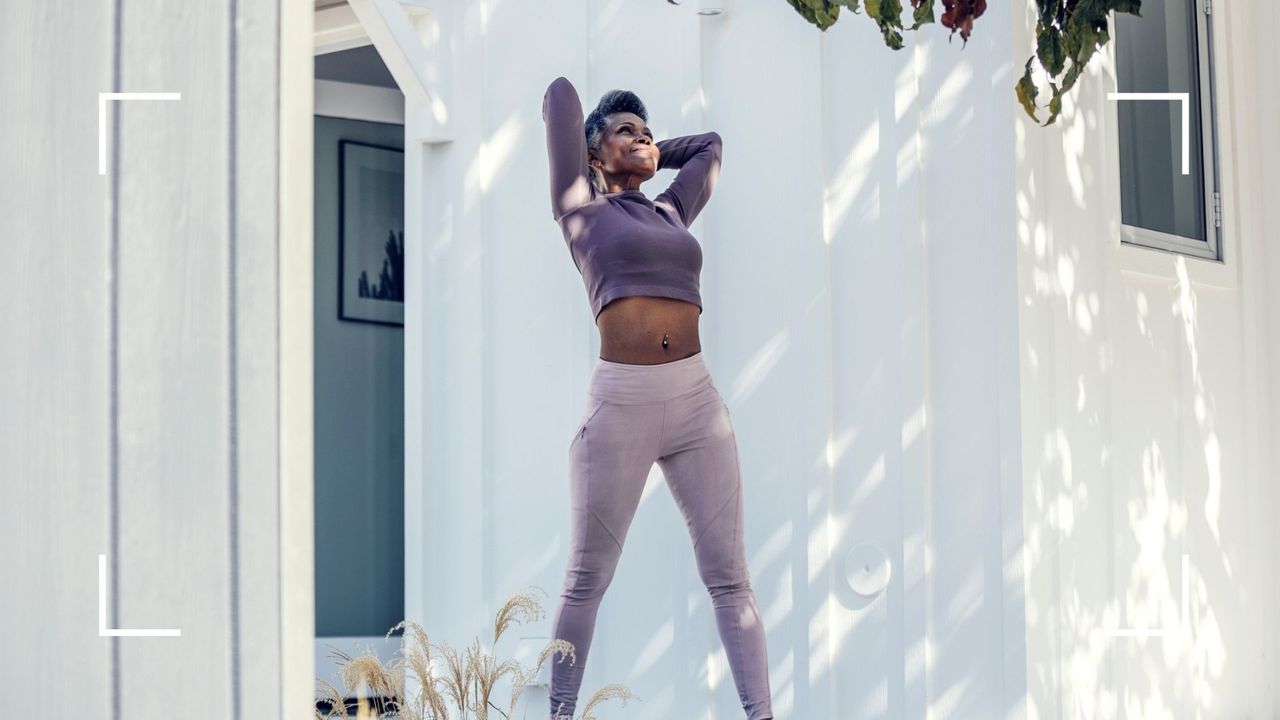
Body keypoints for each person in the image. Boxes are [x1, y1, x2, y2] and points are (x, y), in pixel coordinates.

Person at [541, 75, 774, 720]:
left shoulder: (671, 211)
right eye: (626, 130)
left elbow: (710, 147)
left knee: (730, 578)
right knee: (587, 579)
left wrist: (647, 150)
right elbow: (560, 95)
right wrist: (605, 142)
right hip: (622, 404)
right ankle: (559, 714)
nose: (642, 136)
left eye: (647, 130)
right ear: (592, 155)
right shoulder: (579, 210)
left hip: (698, 402)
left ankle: (764, 715)